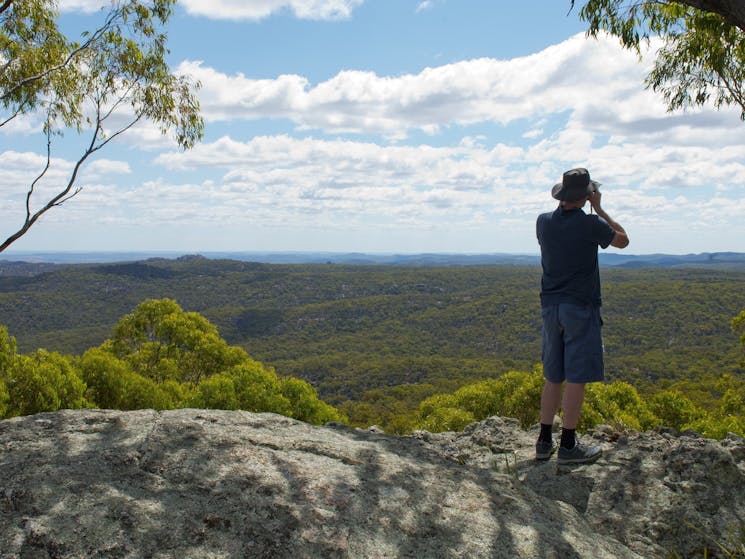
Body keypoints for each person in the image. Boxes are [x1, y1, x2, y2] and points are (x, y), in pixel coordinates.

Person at [535, 168, 629, 464]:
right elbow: (623, 240)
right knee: (576, 377)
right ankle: (568, 446)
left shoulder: (543, 222)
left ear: (562, 194)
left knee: (553, 375)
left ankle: (543, 441)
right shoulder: (590, 224)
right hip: (580, 307)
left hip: (551, 305)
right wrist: (599, 208)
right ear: (586, 195)